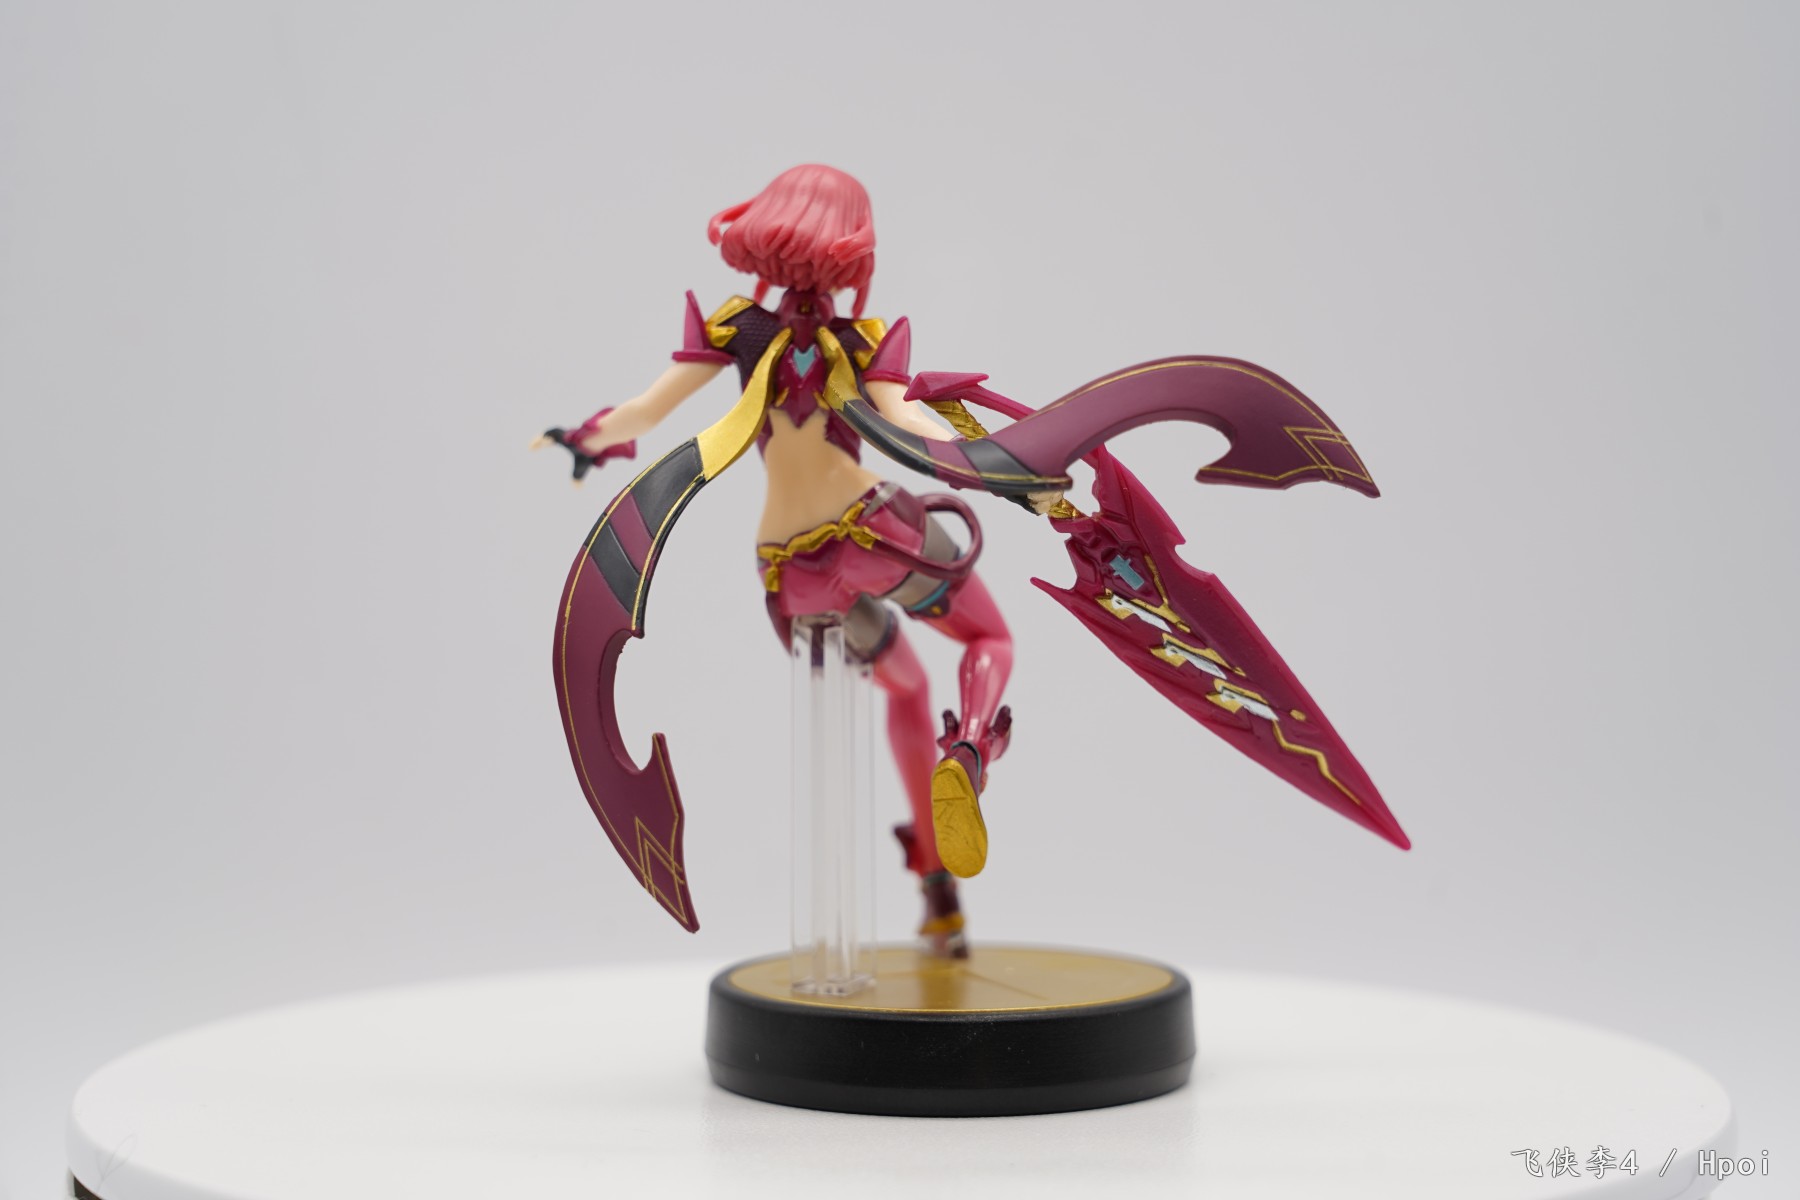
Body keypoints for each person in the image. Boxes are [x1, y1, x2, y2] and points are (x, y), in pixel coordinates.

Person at [553, 165, 1048, 956]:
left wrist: (583, 439)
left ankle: (938, 895)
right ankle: (971, 750)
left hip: (791, 577)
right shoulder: (861, 342)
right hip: (874, 533)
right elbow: (915, 427)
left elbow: (645, 411)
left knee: (908, 688)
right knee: (990, 640)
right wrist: (1016, 472)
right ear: (853, 246)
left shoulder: (739, 333)